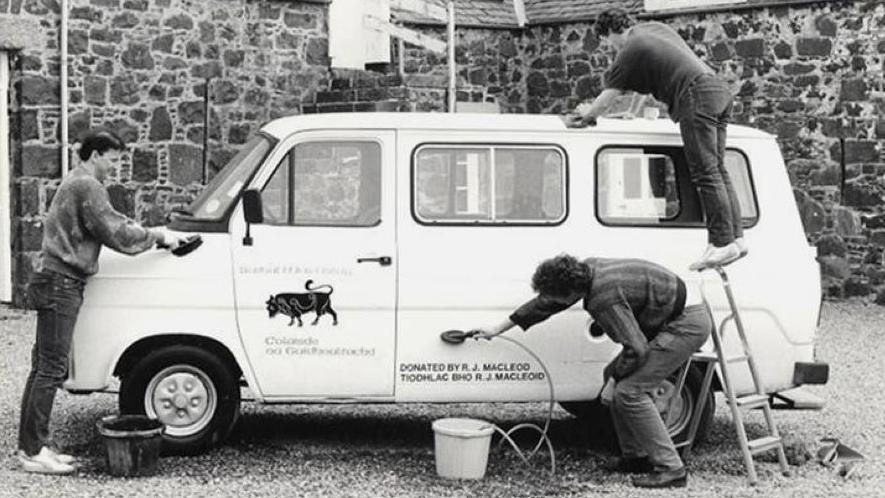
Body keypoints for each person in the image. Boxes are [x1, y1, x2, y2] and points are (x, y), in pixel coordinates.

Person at [17, 129, 187, 474]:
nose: (115, 166)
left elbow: (108, 224)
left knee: (43, 367)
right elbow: (115, 229)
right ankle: (33, 452)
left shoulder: (75, 181)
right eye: (113, 159)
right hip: (62, 282)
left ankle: (33, 446)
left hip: (53, 279)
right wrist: (159, 236)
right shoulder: (88, 186)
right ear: (96, 155)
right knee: (50, 368)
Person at [474, 254, 711, 488]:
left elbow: (637, 348)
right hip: (672, 315)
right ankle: (636, 458)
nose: (555, 301)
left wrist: (613, 384)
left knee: (629, 392)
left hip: (684, 324)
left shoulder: (602, 298)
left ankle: (672, 468)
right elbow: (546, 303)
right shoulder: (585, 270)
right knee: (614, 375)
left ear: (570, 293)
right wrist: (497, 328)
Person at [563, 8, 745, 271]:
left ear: (609, 34)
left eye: (606, 41)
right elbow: (645, 81)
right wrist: (633, 112)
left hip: (696, 97)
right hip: (717, 91)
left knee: (705, 172)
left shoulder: (630, 49)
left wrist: (585, 116)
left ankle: (720, 242)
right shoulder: (654, 30)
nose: (610, 47)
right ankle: (736, 239)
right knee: (717, 169)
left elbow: (608, 95)